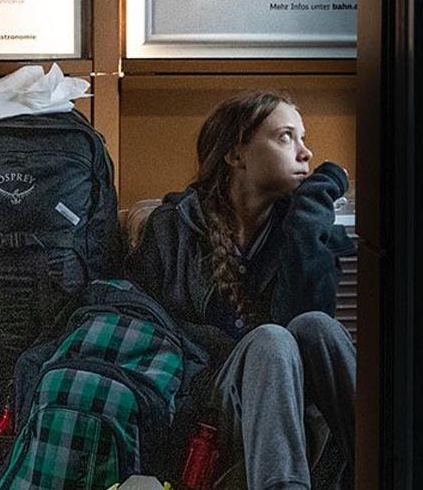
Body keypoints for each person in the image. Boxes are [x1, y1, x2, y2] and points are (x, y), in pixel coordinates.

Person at [124, 90, 356, 490]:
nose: (305, 152)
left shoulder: (300, 225)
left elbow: (302, 318)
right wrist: (233, 349)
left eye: (303, 138)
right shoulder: (171, 228)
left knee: (316, 325)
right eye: (286, 137)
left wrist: (307, 218)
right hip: (207, 408)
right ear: (236, 155)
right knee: (269, 340)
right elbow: (148, 332)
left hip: (292, 407)